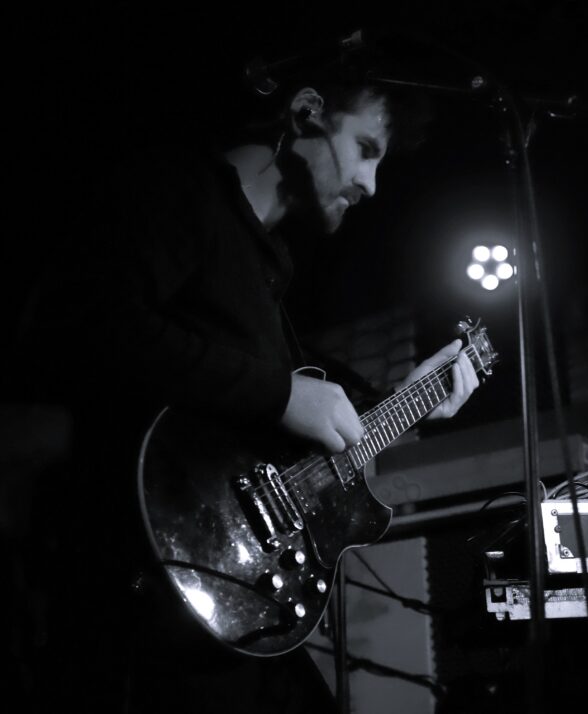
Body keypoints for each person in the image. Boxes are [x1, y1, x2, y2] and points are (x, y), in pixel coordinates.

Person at [22, 37, 478, 714]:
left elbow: (254, 413)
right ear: (305, 112)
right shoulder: (181, 189)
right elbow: (93, 323)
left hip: (221, 600)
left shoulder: (269, 269)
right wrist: (280, 393)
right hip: (129, 590)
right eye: (365, 149)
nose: (371, 184)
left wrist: (410, 399)